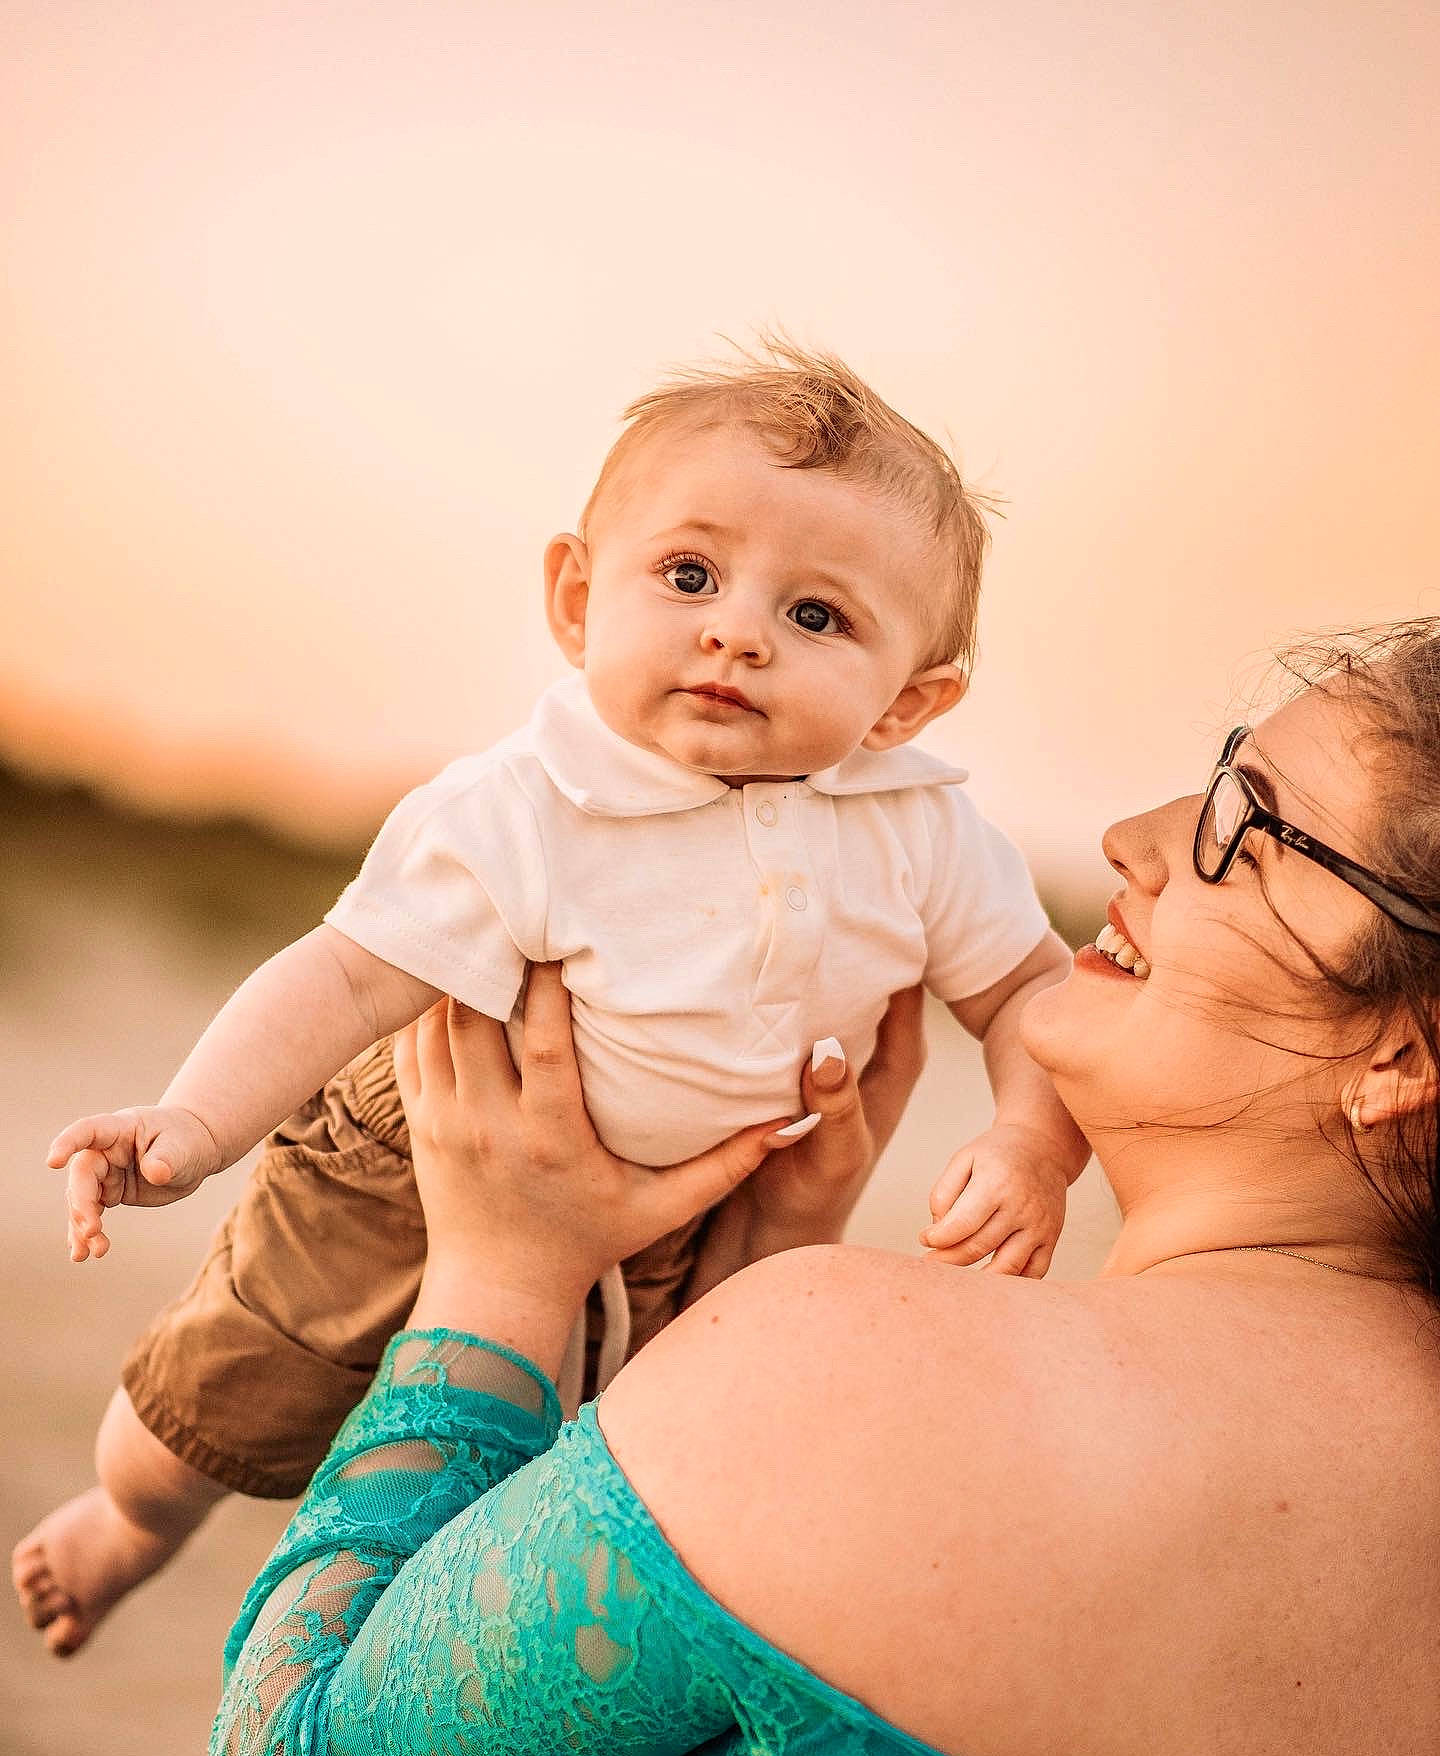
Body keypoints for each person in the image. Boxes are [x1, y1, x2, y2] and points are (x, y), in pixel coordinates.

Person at [184, 624, 1440, 1756]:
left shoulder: (868, 1376)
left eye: (1246, 822)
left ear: (1403, 1056)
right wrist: (751, 1276)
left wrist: (504, 1279)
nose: (1135, 836)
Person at [17, 341, 1086, 1658]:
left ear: (908, 699)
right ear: (578, 598)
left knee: (554, 1487)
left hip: (682, 1224)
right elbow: (348, 968)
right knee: (237, 1387)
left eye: (818, 617)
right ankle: (125, 1522)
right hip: (413, 1162)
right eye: (689, 575)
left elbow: (1036, 987)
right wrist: (190, 1123)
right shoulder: (527, 799)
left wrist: (1033, 1140)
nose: (738, 629)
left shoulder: (918, 826)